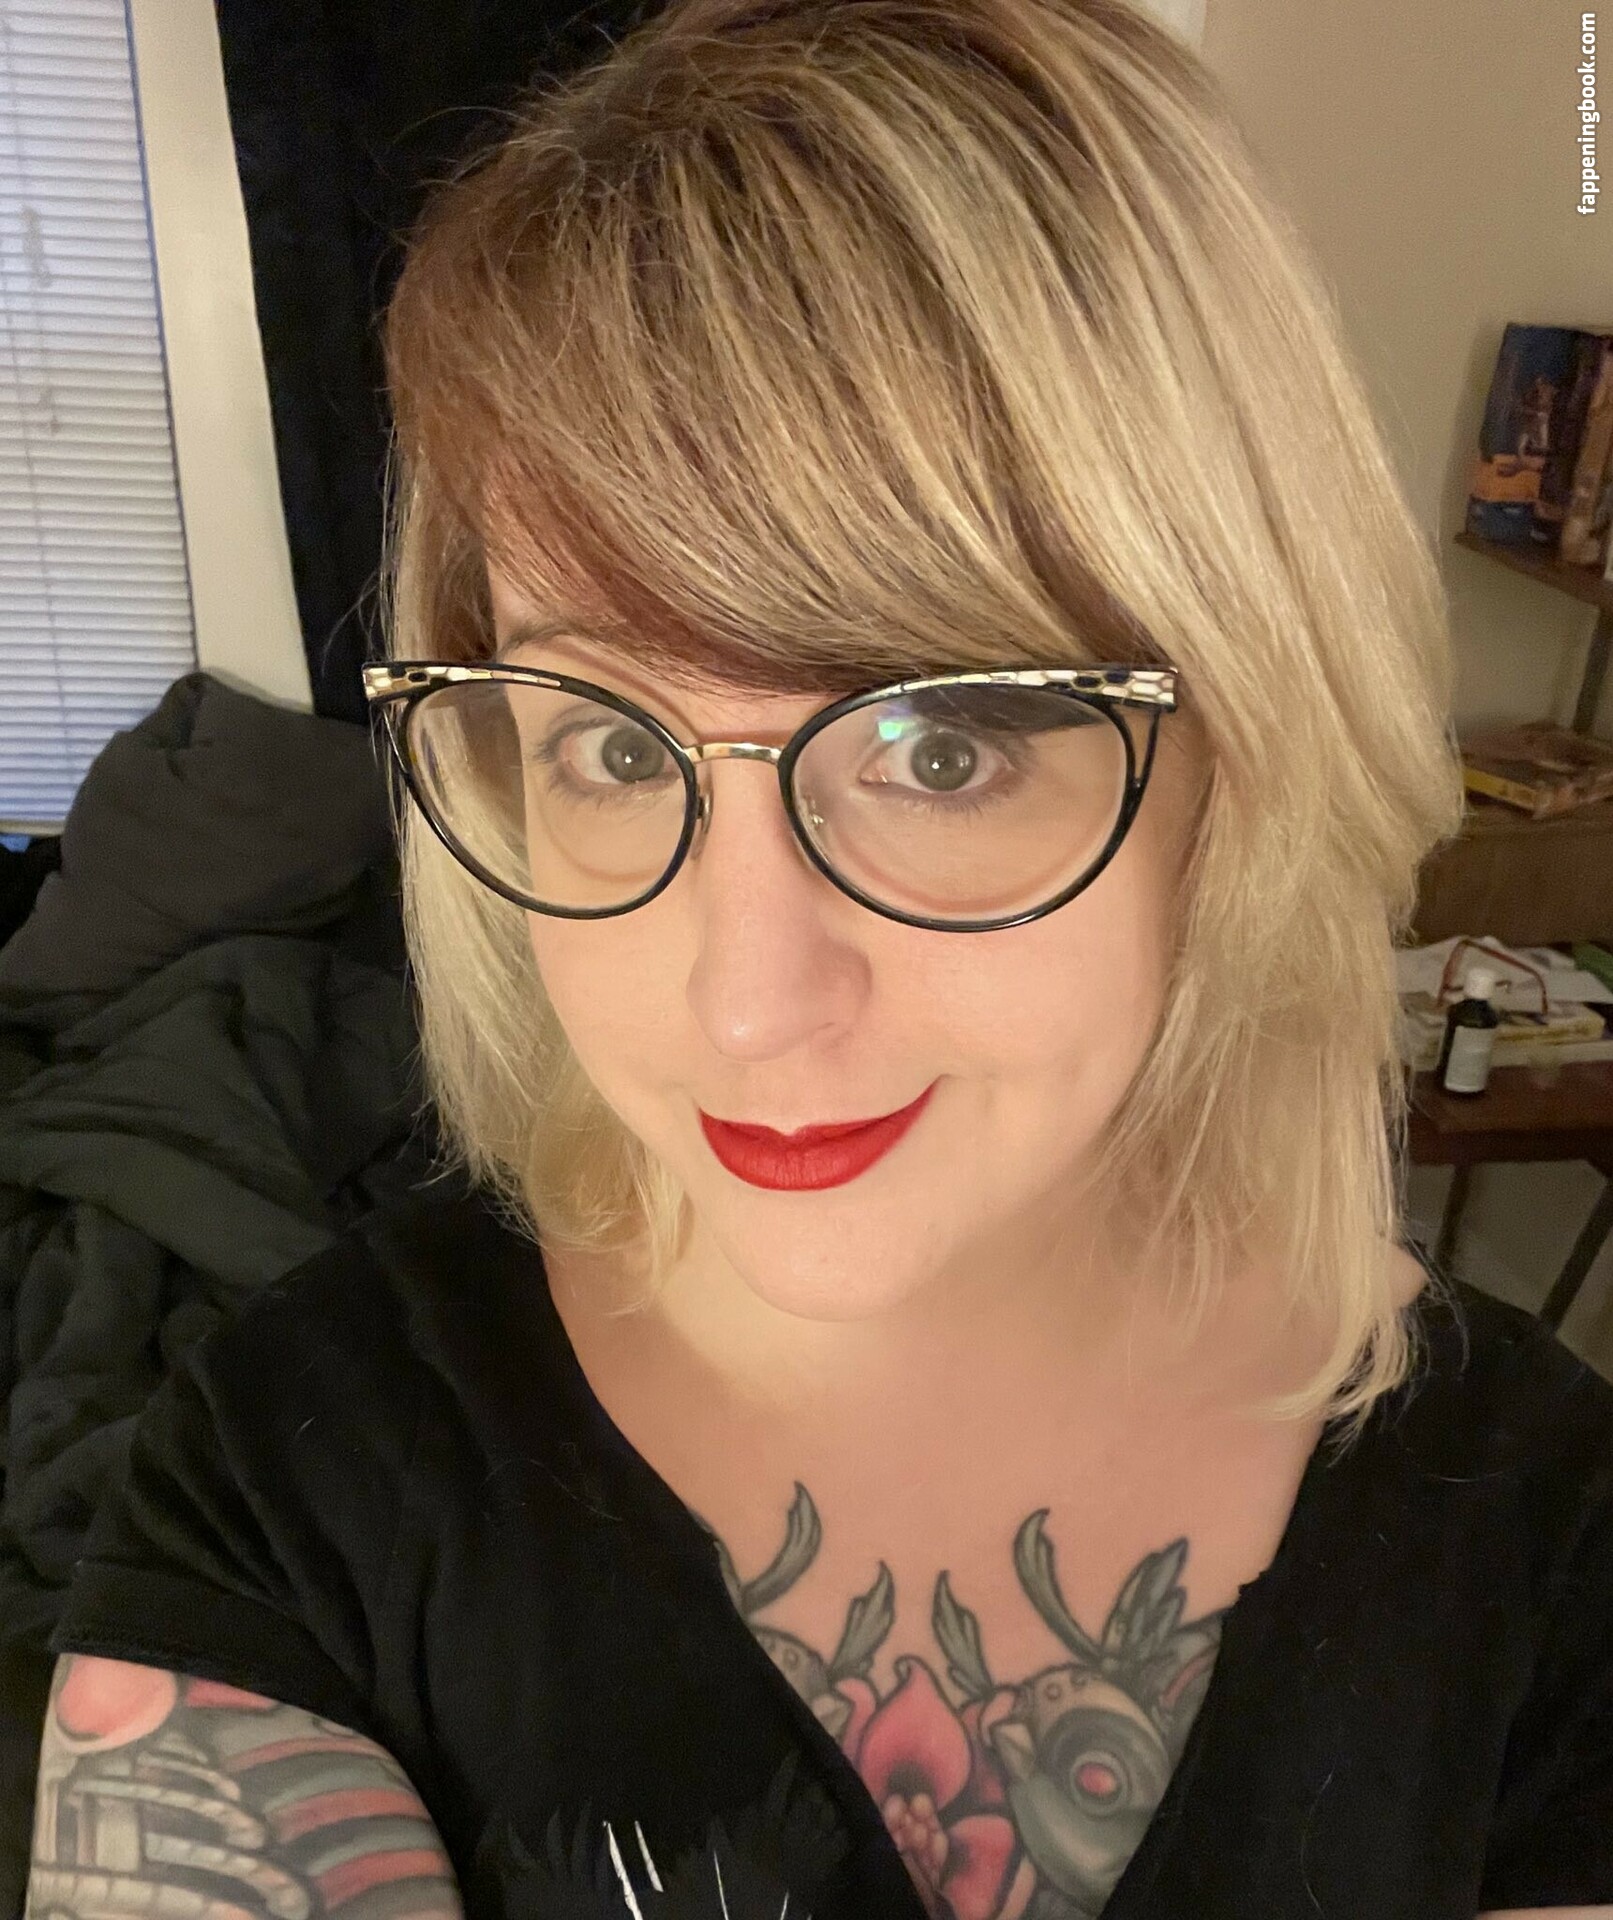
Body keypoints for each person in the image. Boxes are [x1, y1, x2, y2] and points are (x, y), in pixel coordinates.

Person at [31, 0, 1613, 1914]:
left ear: (1249, 751)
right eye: (613, 748)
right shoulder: (292, 1482)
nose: (746, 998)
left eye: (939, 749)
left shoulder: (1551, 1546)